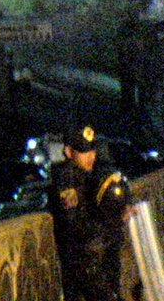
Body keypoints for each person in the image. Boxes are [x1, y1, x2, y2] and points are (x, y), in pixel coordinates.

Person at [48, 123, 131, 301]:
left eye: (92, 150)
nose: (90, 156)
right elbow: (76, 229)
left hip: (98, 263)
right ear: (69, 152)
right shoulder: (67, 181)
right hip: (83, 269)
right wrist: (111, 222)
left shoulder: (90, 176)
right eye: (84, 151)